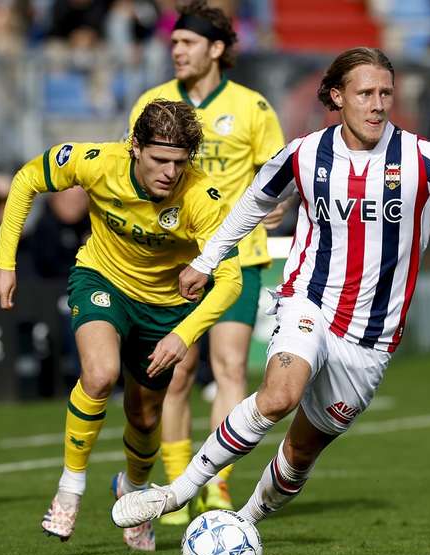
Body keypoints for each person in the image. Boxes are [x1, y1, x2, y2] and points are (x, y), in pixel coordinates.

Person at [112, 47, 430, 531]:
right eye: (365, 93)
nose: (378, 104)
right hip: (310, 302)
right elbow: (251, 205)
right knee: (278, 395)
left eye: (386, 93)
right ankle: (177, 492)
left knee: (300, 452)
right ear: (337, 96)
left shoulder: (421, 158)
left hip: (371, 339)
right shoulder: (305, 153)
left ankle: (244, 523)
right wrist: (206, 260)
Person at [0, 99, 241, 551]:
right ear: (134, 148)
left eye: (179, 163)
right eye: (159, 160)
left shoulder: (202, 197)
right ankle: (69, 489)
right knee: (100, 374)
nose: (169, 172)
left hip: (165, 309)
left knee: (144, 417)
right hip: (101, 279)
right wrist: (4, 261)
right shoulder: (96, 162)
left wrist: (183, 335)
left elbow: (230, 280)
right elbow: (28, 178)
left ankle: (134, 491)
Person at [127, 0, 285, 524]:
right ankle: (176, 485)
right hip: (174, 257)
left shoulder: (253, 108)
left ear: (216, 49)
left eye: (187, 43)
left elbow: (277, 178)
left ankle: (216, 484)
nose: (176, 50)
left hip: (241, 254)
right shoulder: (152, 103)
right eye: (173, 43)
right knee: (176, 373)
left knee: (231, 367)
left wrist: (279, 206)